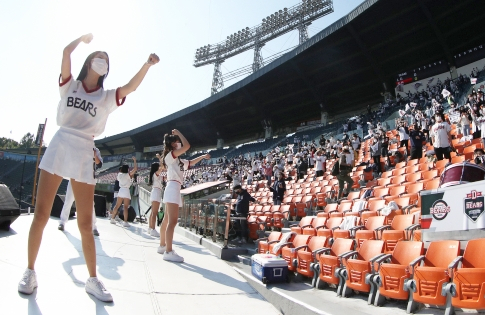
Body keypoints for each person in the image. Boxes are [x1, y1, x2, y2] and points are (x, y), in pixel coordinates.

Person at [18, 33, 160, 302]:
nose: (103, 62)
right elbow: (64, 53)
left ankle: (93, 279)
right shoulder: (69, 85)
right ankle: (30, 271)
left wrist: (147, 65)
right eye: (99, 58)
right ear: (88, 62)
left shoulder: (106, 96)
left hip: (84, 148)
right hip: (60, 143)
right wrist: (81, 40)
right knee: (41, 213)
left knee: (85, 222)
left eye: (107, 60)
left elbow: (130, 87)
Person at [157, 130, 211, 262]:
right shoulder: (170, 156)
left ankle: (162, 246)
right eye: (177, 141)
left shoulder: (178, 160)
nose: (179, 143)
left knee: (167, 220)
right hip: (172, 188)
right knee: (172, 222)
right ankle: (169, 251)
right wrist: (180, 133)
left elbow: (191, 163)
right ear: (172, 144)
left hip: (173, 188)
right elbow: (187, 146)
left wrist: (203, 157)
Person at [58, 148, 103, 235]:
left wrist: (94, 155)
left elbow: (99, 164)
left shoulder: (96, 150)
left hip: (87, 179)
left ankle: (94, 227)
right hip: (75, 177)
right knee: (68, 200)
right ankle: (62, 222)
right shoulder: (78, 146)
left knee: (90, 204)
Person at [110, 157, 138, 227]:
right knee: (125, 207)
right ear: (128, 169)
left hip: (121, 190)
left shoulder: (119, 174)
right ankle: (125, 222)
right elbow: (135, 169)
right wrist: (134, 161)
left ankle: (112, 218)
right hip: (126, 190)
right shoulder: (128, 175)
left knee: (117, 205)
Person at [147, 154, 166, 237]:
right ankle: (153, 229)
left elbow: (162, 170)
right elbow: (162, 167)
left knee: (153, 213)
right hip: (156, 192)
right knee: (154, 213)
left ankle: (150, 228)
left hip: (155, 192)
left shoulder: (155, 175)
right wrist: (160, 158)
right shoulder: (156, 174)